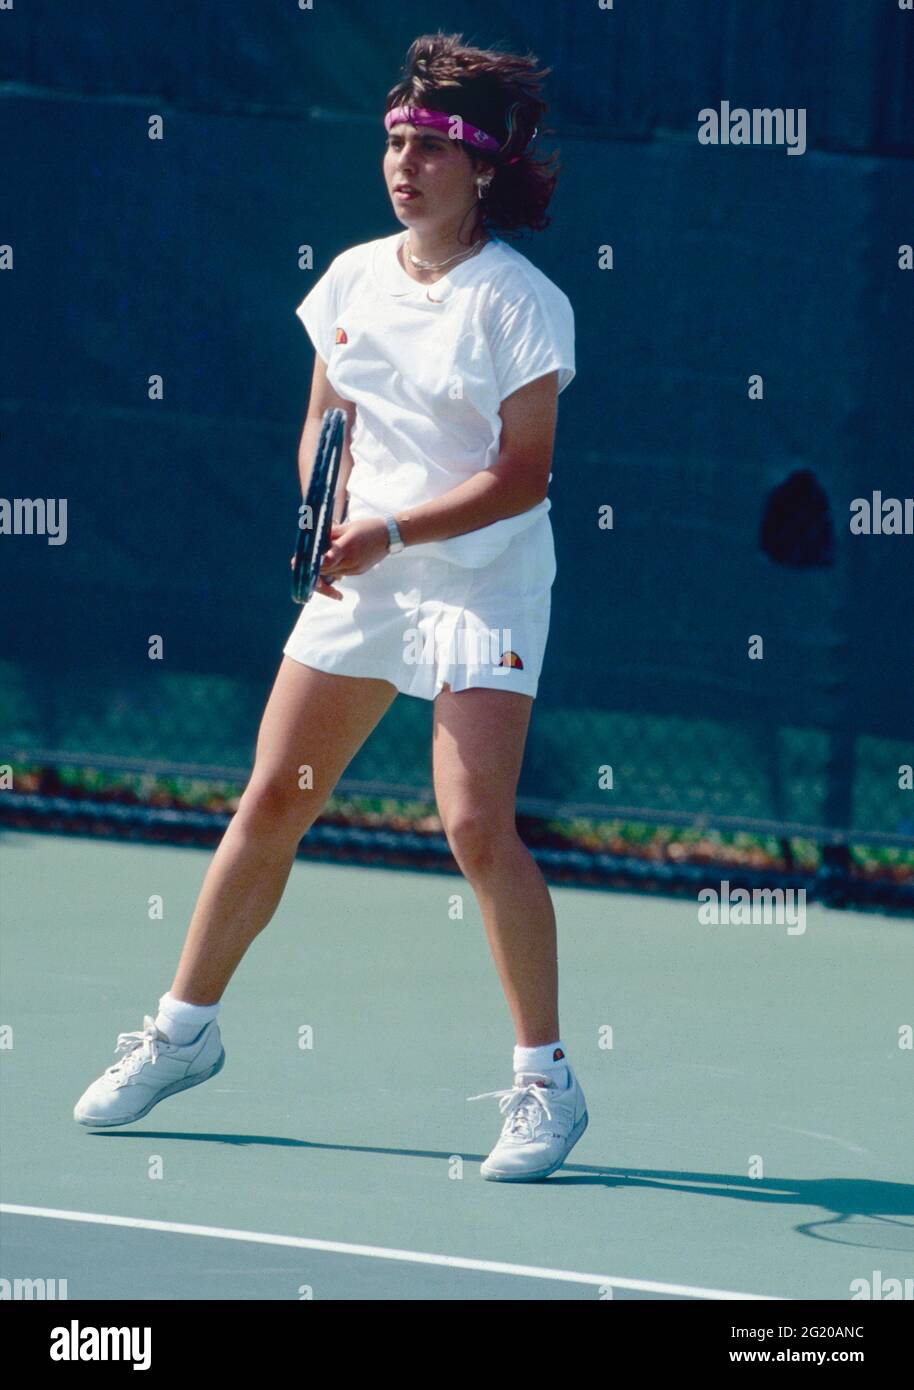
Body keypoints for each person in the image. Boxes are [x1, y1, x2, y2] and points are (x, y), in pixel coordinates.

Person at [74, 31, 586, 1182]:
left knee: (470, 824)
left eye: (428, 146)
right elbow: (325, 417)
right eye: (392, 140)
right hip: (363, 573)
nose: (402, 163)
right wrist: (325, 512)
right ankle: (182, 1032)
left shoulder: (519, 302)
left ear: (482, 166)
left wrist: (394, 527)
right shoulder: (352, 275)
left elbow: (521, 473)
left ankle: (545, 1081)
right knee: (271, 799)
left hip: (482, 580)